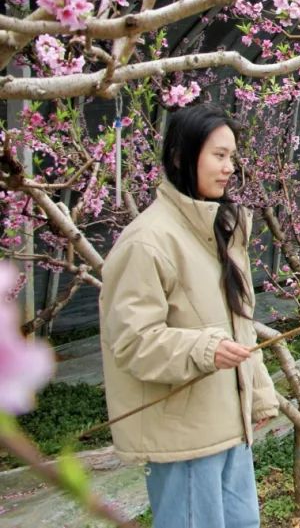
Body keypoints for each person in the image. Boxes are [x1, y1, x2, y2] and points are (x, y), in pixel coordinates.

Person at [100, 103, 278, 528]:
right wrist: (205, 348)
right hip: (184, 438)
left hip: (229, 426)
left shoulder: (221, 230)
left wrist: (258, 392)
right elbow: (133, 341)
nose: (230, 167)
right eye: (219, 155)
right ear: (181, 157)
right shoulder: (147, 242)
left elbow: (239, 325)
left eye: (232, 156)